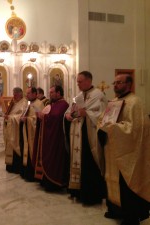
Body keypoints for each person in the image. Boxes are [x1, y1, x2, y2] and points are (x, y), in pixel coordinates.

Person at [98, 74, 150, 225]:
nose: (115, 85)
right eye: (114, 82)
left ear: (129, 84)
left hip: (128, 153)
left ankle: (130, 217)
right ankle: (115, 209)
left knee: (126, 184)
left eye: (119, 83)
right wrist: (103, 126)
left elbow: (137, 129)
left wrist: (114, 128)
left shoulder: (135, 102)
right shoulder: (113, 102)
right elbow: (103, 120)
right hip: (112, 149)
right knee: (111, 179)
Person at [64, 70, 107, 205]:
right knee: (79, 163)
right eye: (77, 81)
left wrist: (86, 113)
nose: (78, 84)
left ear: (89, 81)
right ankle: (77, 191)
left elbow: (103, 115)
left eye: (80, 81)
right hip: (78, 135)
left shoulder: (98, 95)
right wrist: (68, 115)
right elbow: (70, 110)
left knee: (89, 165)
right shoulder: (79, 96)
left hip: (90, 136)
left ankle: (91, 196)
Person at [19, 87, 44, 181]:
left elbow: (39, 119)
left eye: (29, 93)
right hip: (27, 132)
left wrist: (27, 120)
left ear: (35, 94)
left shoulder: (39, 103)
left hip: (34, 135)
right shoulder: (28, 103)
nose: (27, 95)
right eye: (26, 93)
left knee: (33, 152)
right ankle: (25, 173)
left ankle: (32, 175)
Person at [3, 87, 28, 174]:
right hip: (11, 127)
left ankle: (16, 167)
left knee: (16, 147)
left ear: (20, 94)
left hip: (18, 130)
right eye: (13, 94)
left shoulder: (24, 102)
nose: (14, 96)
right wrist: (7, 117)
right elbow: (10, 113)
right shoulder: (14, 102)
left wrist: (9, 118)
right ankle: (10, 166)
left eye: (15, 94)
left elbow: (21, 115)